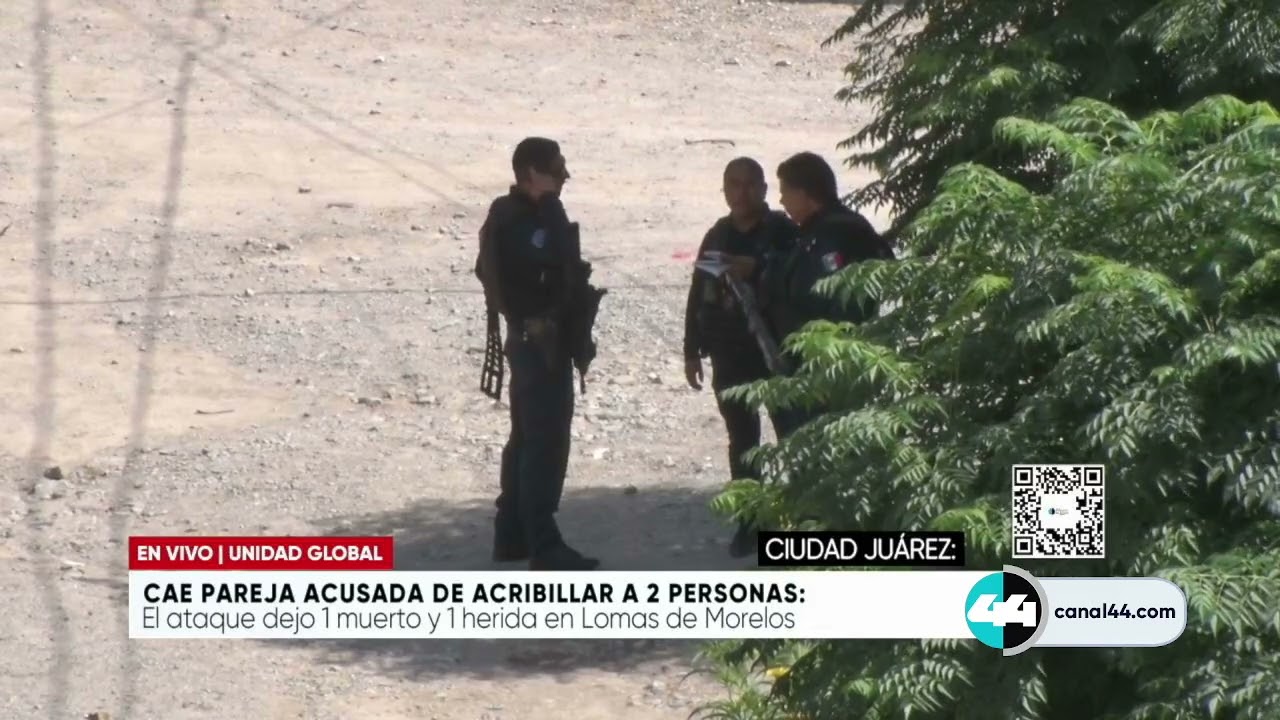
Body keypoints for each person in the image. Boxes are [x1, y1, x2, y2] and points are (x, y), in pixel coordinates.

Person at [474, 137, 599, 571]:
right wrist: (551, 208)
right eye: (556, 169)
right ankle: (544, 544)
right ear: (531, 173)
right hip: (538, 345)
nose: (564, 176)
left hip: (535, 342)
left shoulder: (511, 215)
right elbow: (559, 256)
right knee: (545, 443)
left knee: (527, 439)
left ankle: (512, 535)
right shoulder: (522, 221)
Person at [682, 157, 799, 558]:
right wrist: (691, 350)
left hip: (775, 353)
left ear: (764, 189)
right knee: (743, 442)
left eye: (750, 184)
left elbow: (800, 279)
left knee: (792, 437)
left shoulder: (782, 232)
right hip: (729, 354)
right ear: (724, 190)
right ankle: (749, 522)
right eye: (734, 184)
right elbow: (698, 292)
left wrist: (759, 268)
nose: (742, 193)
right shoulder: (717, 235)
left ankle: (803, 519)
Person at [763, 151, 894, 435]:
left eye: (785, 192)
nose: (782, 201)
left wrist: (828, 362)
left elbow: (839, 303)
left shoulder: (835, 234)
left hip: (830, 366)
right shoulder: (821, 229)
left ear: (803, 193)